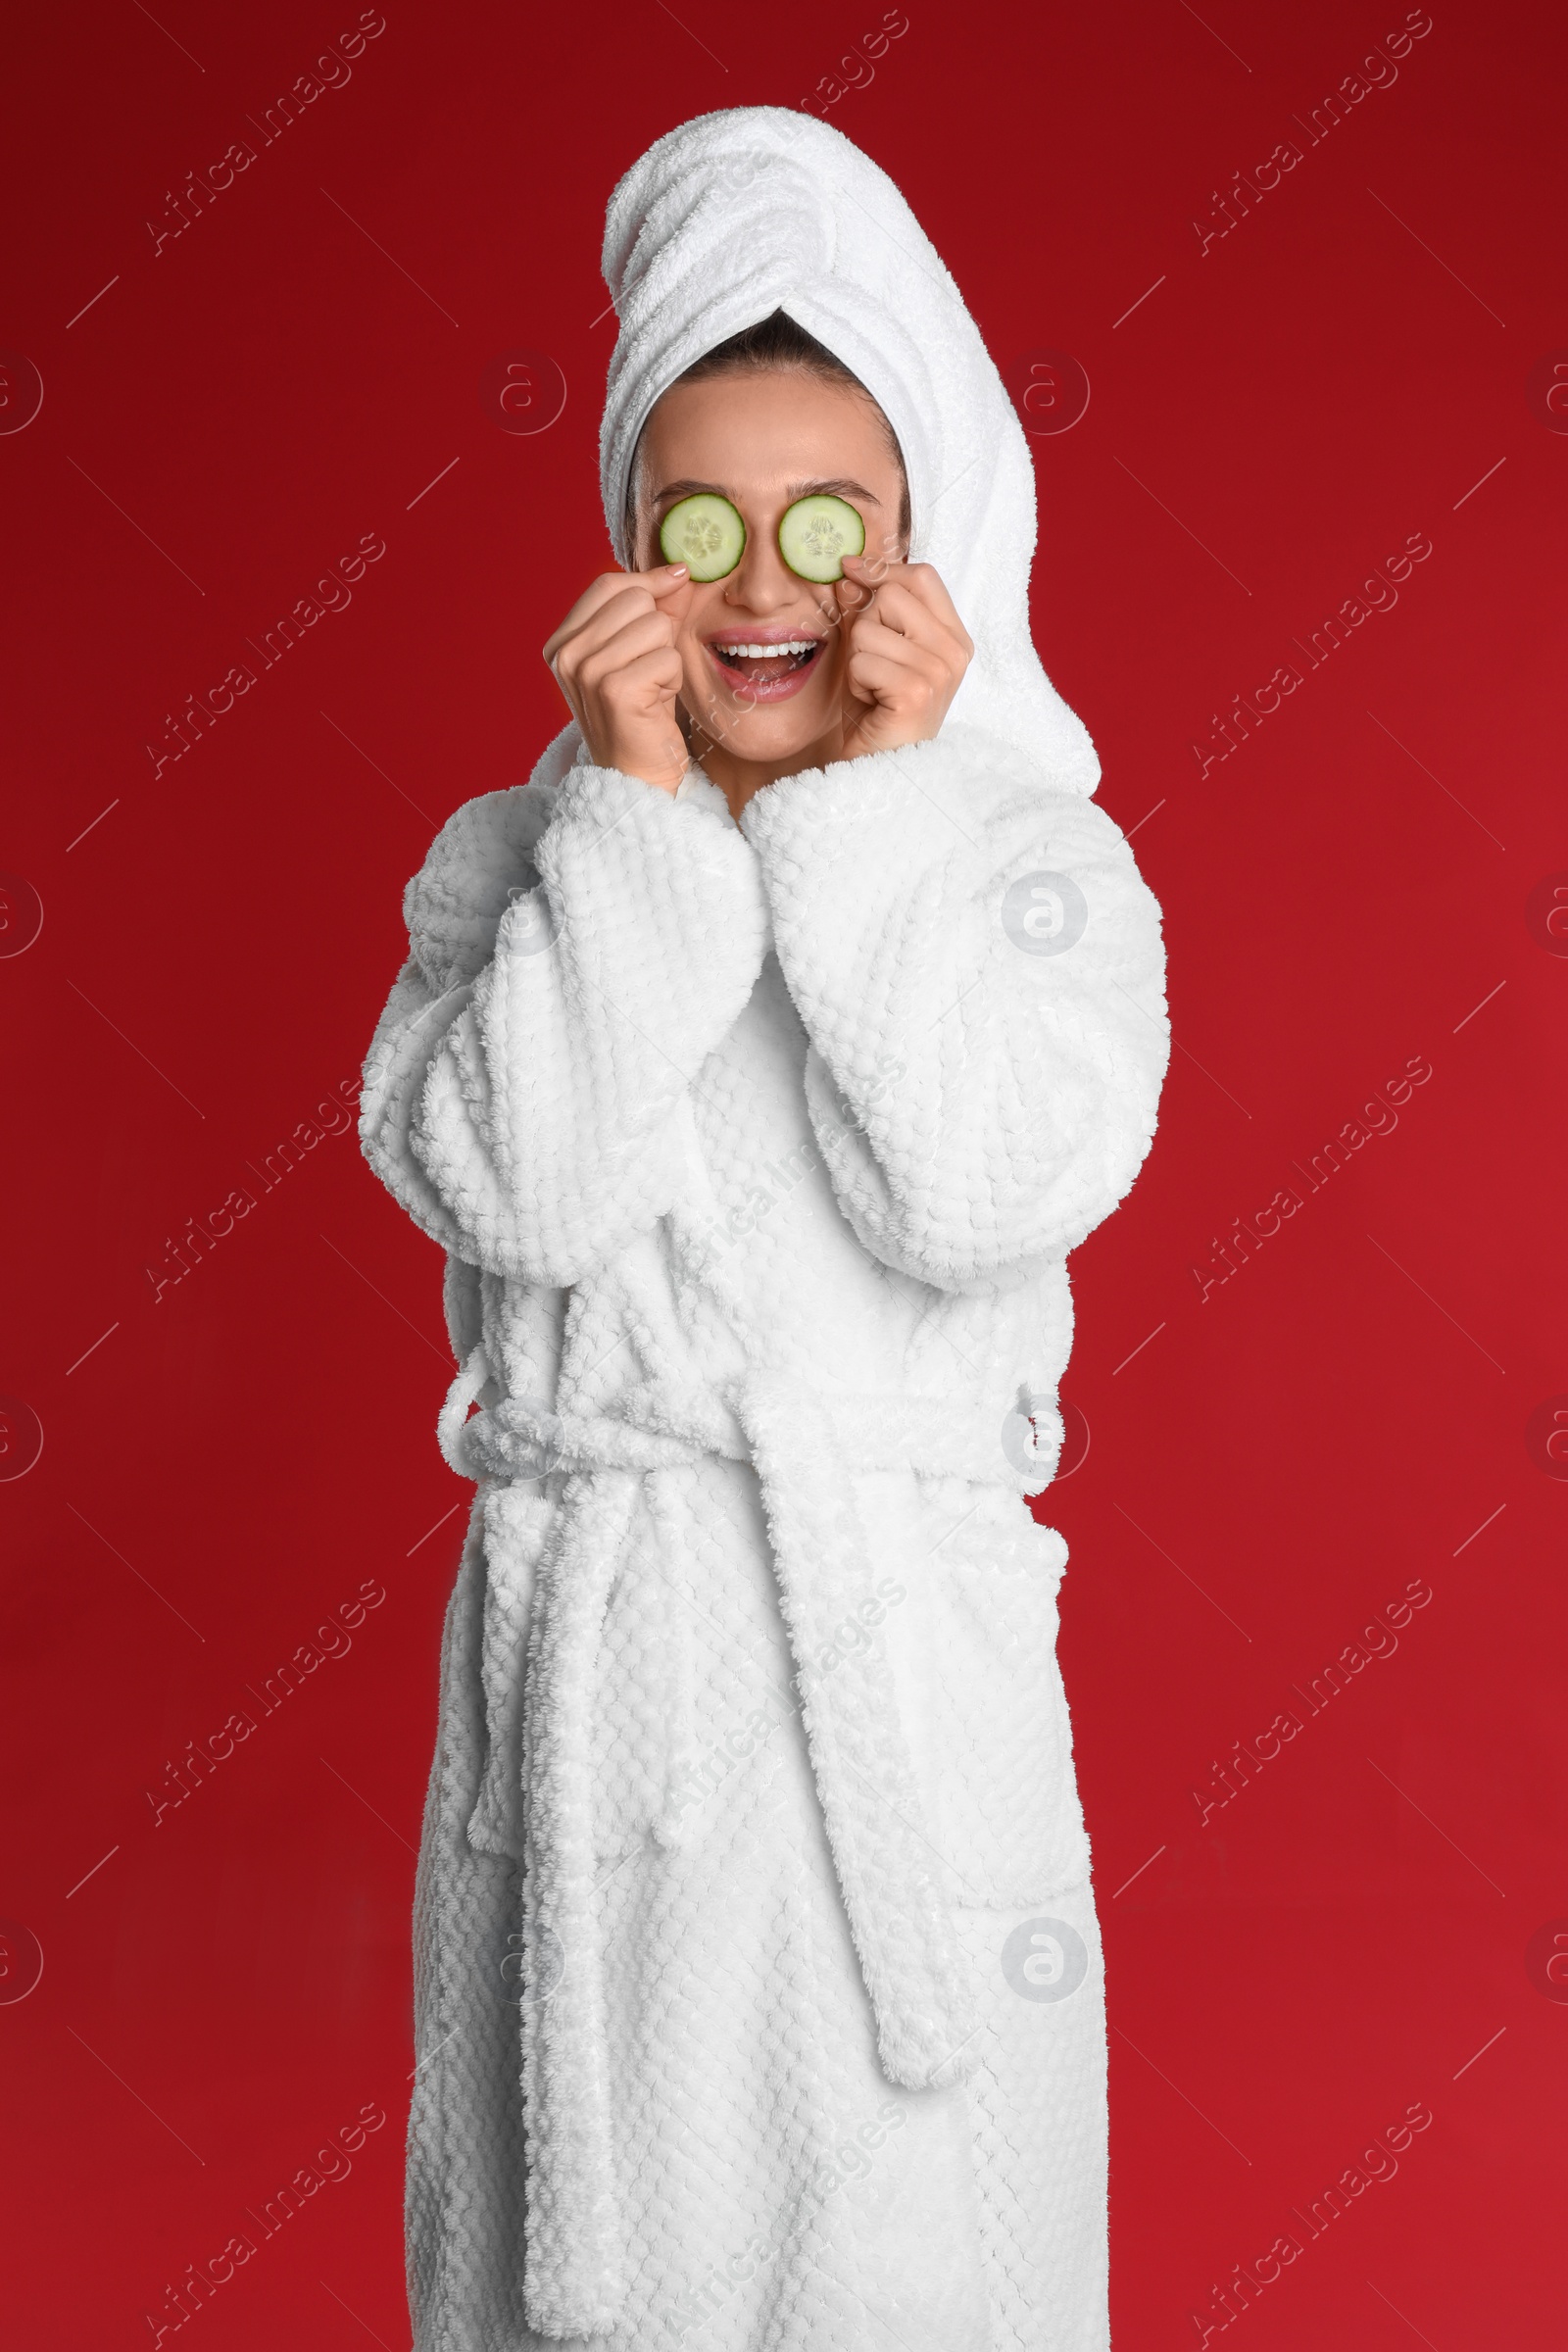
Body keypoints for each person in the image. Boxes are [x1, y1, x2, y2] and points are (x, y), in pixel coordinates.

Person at [360, 105, 1168, 2352]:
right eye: (691, 520)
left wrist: (886, 821)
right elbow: (513, 1190)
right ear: (620, 544)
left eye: (830, 524)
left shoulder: (1025, 869)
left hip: (892, 1744)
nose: (759, 584)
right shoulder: (504, 877)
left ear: (919, 548)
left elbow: (984, 1187)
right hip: (601, 1722)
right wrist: (625, 832)